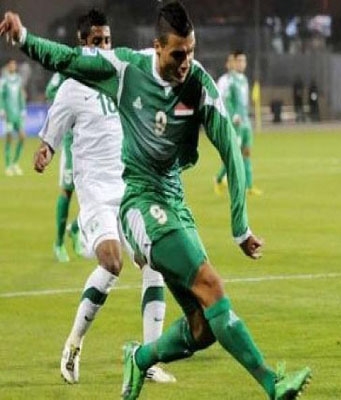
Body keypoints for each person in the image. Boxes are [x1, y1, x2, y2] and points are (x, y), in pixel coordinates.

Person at [0, 3, 312, 400]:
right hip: (139, 202)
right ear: (158, 47)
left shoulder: (197, 82)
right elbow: (67, 58)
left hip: (174, 201)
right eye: (178, 54)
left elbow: (230, 148)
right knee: (210, 284)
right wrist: (24, 37)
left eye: (191, 51)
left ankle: (141, 357)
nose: (186, 62)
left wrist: (240, 227)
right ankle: (272, 383)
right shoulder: (127, 69)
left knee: (202, 329)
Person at [33, 8, 175, 385]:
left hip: (130, 186)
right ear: (82, 43)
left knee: (155, 261)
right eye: (97, 41)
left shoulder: (123, 76)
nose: (105, 47)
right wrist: (45, 151)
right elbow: (50, 137)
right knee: (112, 262)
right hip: (95, 191)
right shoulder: (71, 88)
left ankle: (149, 358)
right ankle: (74, 344)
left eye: (108, 40)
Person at [45, 72, 84, 262]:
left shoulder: (95, 69)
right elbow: (50, 91)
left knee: (99, 192)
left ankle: (75, 228)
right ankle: (59, 243)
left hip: (93, 141)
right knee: (67, 190)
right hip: (72, 141)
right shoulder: (65, 71)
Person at [215, 49, 263, 196]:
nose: (243, 63)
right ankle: (218, 178)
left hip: (245, 122)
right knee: (234, 155)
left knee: (247, 153)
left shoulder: (244, 80)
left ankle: (249, 186)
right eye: (240, 61)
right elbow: (227, 100)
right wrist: (233, 115)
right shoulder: (230, 80)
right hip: (235, 123)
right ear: (234, 62)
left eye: (244, 61)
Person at [213, 52, 234, 195]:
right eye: (231, 62)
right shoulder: (223, 81)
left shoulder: (240, 81)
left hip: (237, 123)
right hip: (227, 121)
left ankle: (223, 177)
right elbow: (218, 100)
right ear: (227, 64)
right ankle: (219, 178)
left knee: (235, 151)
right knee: (230, 151)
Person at [0, 58, 26, 176]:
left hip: (18, 114)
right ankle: (8, 166)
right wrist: (2, 109)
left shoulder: (18, 79)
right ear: (7, 66)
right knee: (9, 137)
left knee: (22, 137)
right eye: (11, 64)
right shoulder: (4, 80)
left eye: (14, 64)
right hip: (9, 114)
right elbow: (1, 95)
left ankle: (15, 163)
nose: (13, 66)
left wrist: (23, 109)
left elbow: (21, 95)